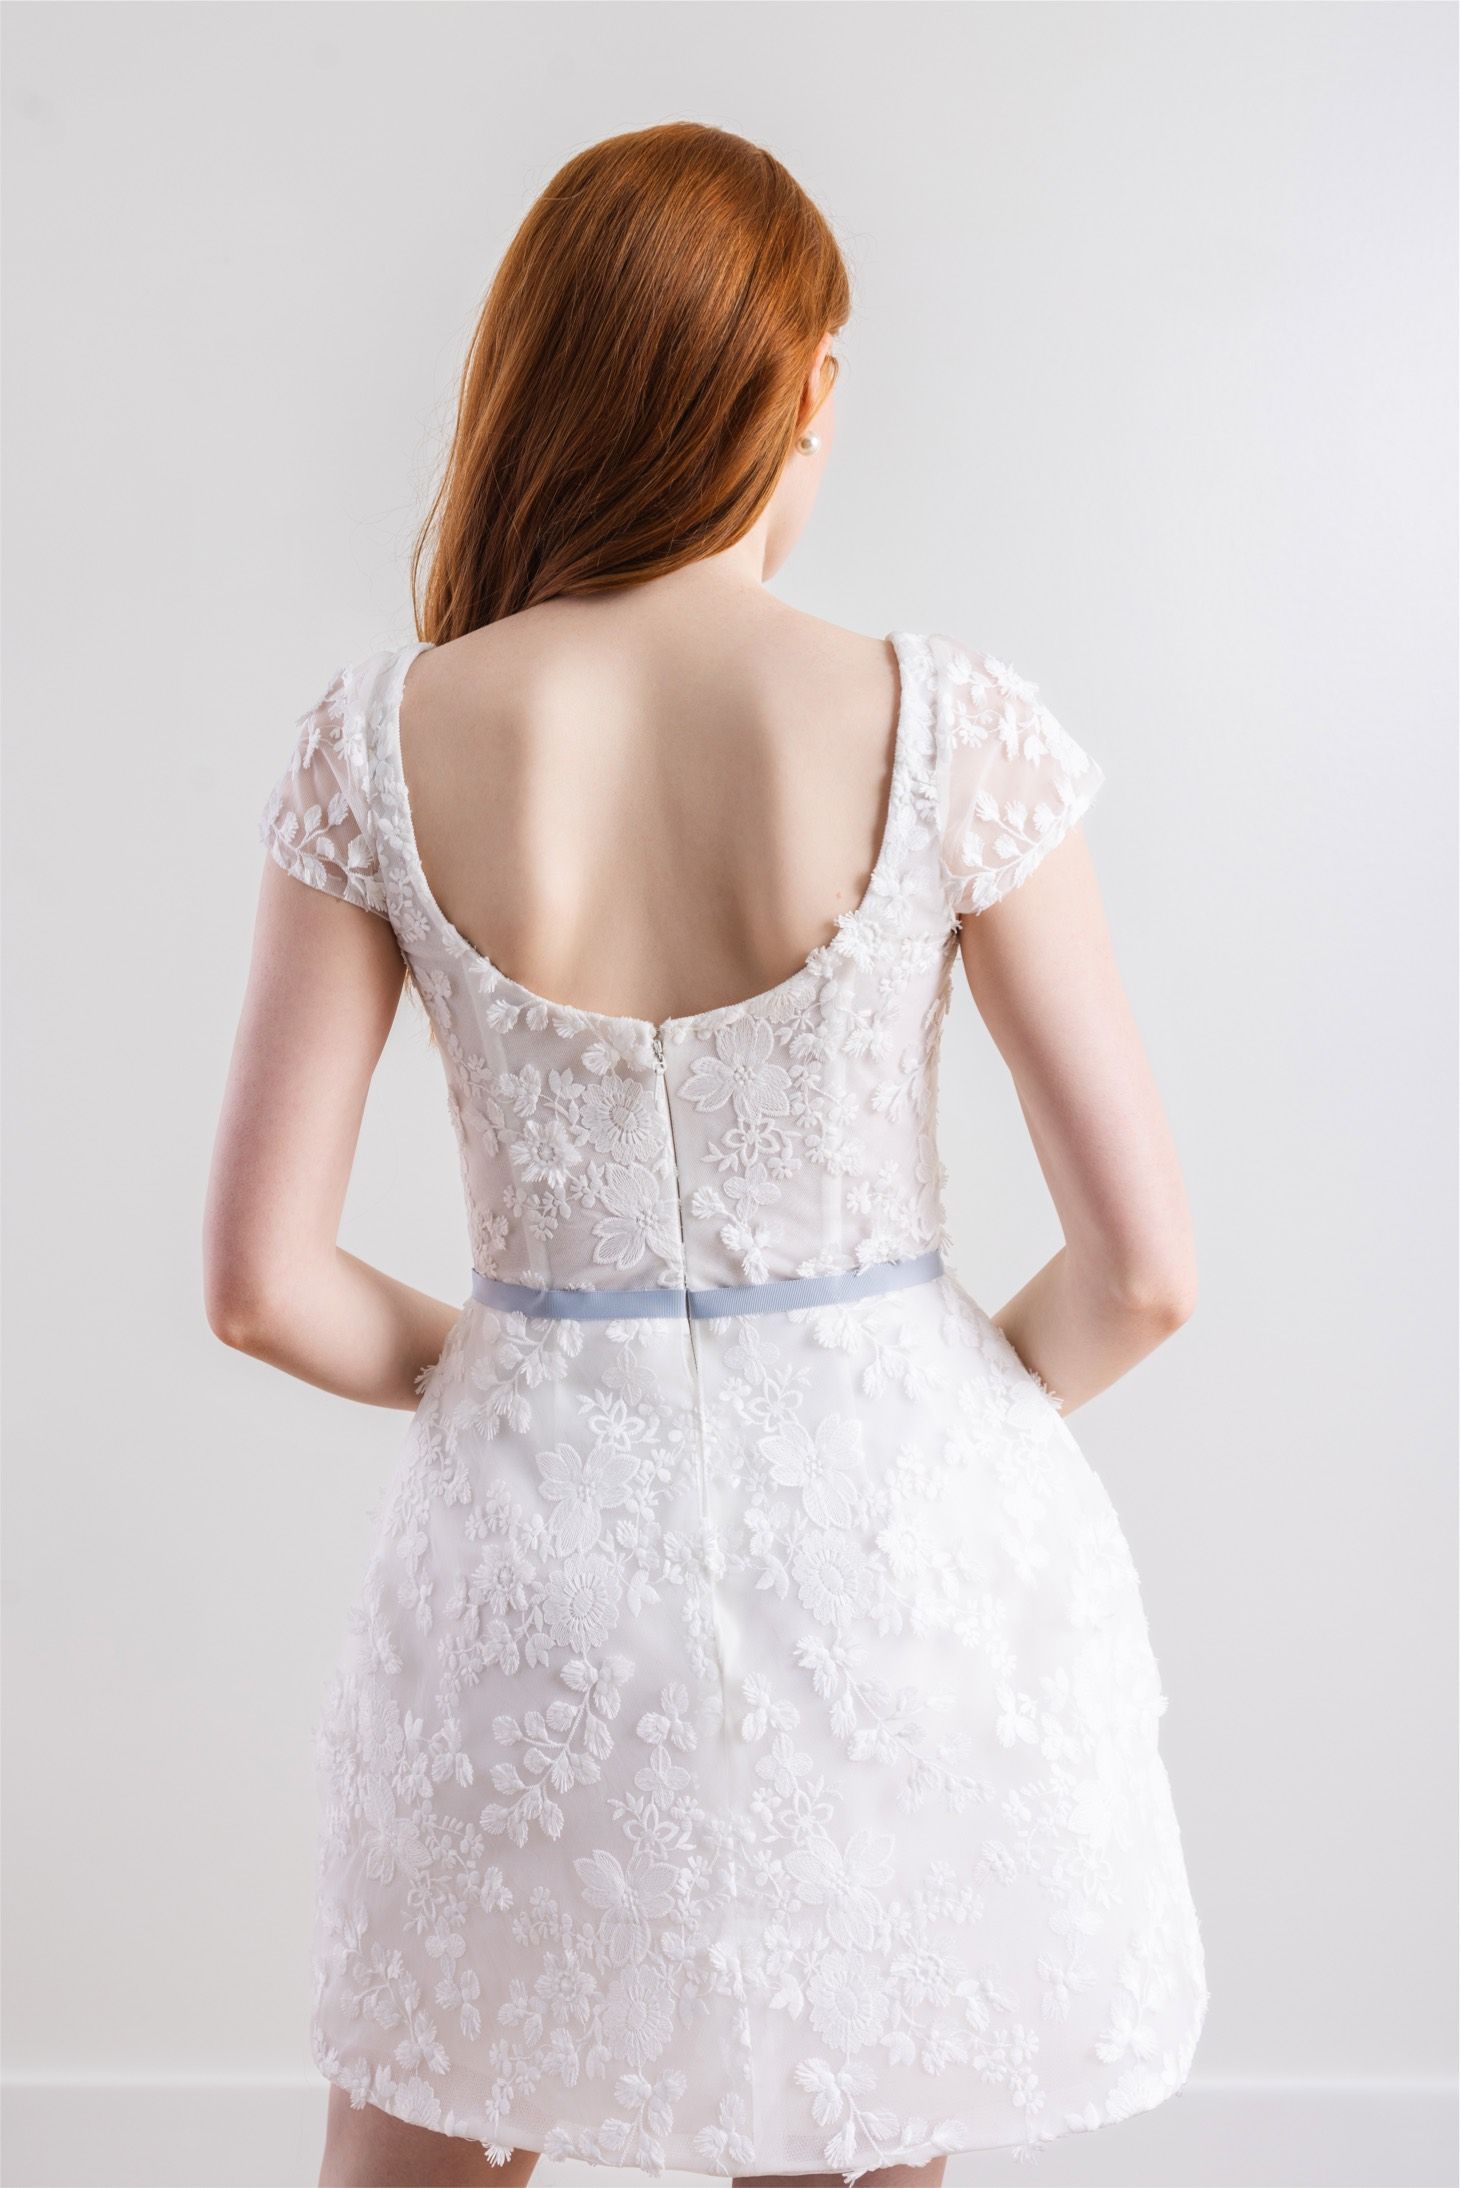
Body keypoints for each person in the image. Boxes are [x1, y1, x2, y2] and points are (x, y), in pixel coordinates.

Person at [204, 120, 1208, 2188]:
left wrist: (512, 1367)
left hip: (529, 1560)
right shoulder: (945, 721)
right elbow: (1143, 1270)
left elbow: (259, 1279)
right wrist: (918, 1416)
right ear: (802, 386)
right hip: (882, 1553)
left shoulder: (377, 737)